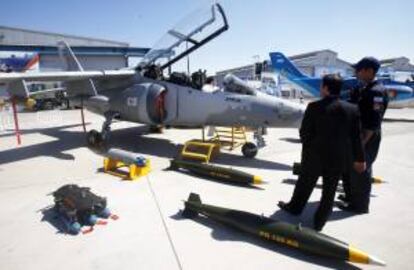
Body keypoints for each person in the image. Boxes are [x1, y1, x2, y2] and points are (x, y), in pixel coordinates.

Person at [278, 74, 365, 231]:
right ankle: (320, 221)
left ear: (325, 88)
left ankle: (295, 208)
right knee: (329, 191)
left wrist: (310, 148)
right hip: (338, 158)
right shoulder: (352, 109)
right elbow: (356, 138)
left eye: (321, 86)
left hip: (313, 156)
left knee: (304, 184)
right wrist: (360, 159)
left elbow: (304, 133)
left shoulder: (314, 107)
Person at [337, 57, 388, 213]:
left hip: (367, 135)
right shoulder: (365, 88)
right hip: (358, 133)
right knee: (351, 168)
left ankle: (359, 206)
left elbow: (373, 120)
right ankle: (351, 197)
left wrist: (362, 143)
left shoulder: (376, 92)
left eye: (359, 69)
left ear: (369, 71)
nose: (356, 72)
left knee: (361, 169)